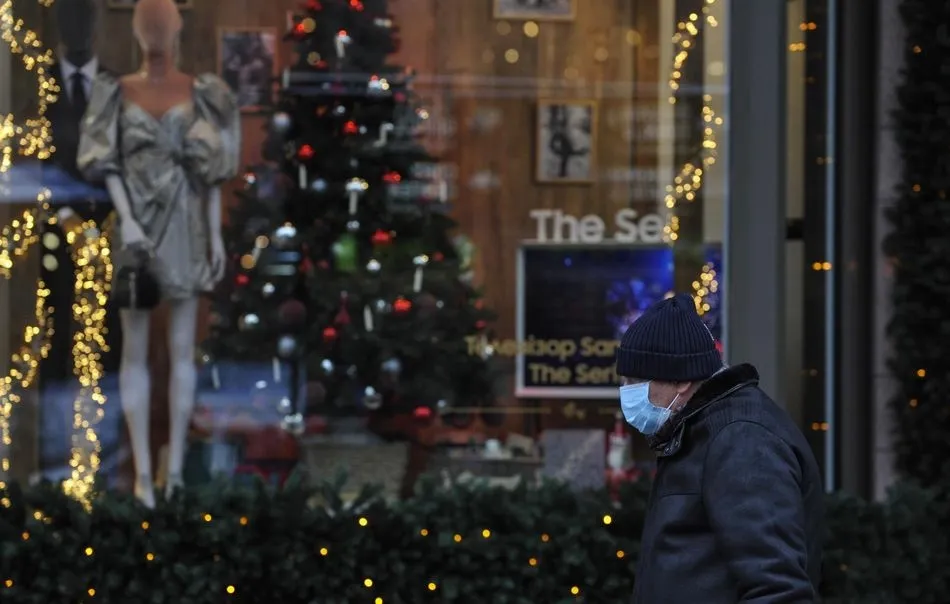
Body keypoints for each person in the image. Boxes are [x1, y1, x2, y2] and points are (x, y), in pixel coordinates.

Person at [616, 293, 824, 603]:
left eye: (636, 379)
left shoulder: (742, 440)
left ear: (681, 381)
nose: (626, 392)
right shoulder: (703, 432)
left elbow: (778, 589)